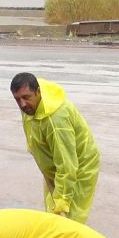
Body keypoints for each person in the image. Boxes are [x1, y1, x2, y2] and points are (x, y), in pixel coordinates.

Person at [9, 72, 101, 224]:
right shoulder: (30, 105)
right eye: (17, 99)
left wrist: (62, 204)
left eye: (26, 97)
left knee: (69, 220)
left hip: (78, 167)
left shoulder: (56, 122)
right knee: (51, 214)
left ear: (38, 92)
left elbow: (67, 165)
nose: (22, 104)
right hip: (53, 166)